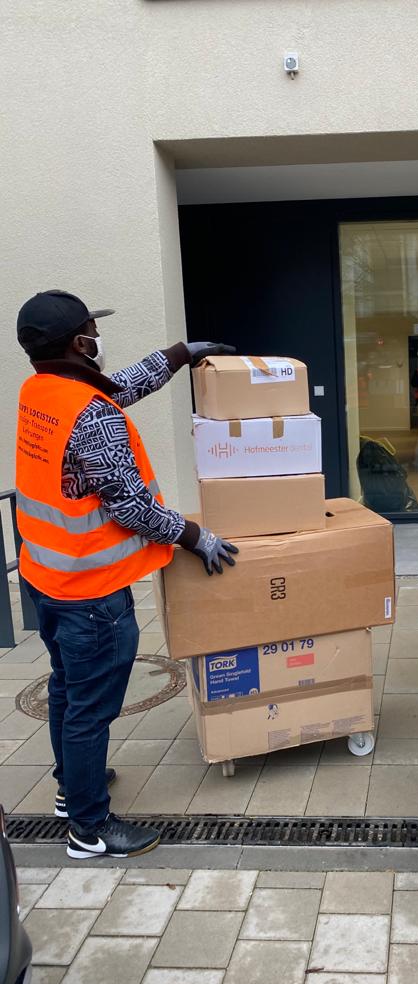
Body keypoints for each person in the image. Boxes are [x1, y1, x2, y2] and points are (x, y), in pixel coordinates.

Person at [15, 289, 238, 859]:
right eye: (93, 330)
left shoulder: (41, 391)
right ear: (79, 343)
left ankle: (71, 789)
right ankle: (89, 829)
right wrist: (196, 537)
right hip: (92, 595)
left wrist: (178, 355)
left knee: (68, 690)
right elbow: (132, 507)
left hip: (46, 580)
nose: (99, 337)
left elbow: (116, 389)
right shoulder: (89, 414)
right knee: (91, 709)